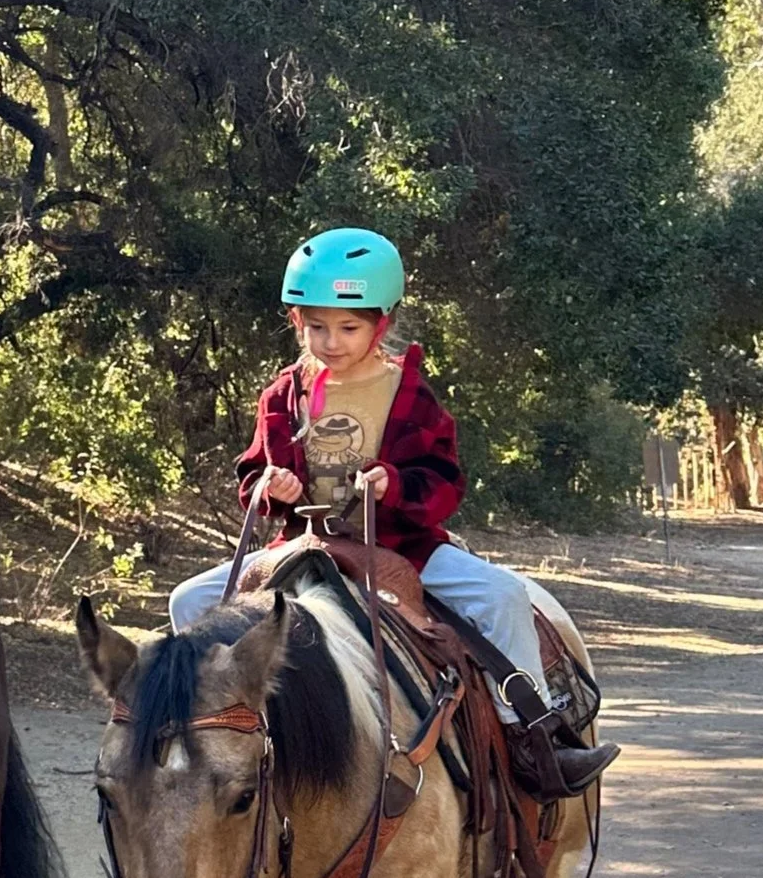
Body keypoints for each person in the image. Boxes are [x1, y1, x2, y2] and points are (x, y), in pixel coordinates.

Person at [167, 228, 617, 799]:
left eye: (348, 327)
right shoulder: (283, 395)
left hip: (405, 547)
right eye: (316, 326)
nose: (331, 341)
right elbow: (253, 470)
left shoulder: (408, 391)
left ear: (381, 324)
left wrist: (396, 484)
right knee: (188, 600)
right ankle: (200, 727)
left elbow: (446, 480)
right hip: (304, 547)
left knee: (503, 597)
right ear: (297, 321)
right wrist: (270, 484)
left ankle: (532, 734)